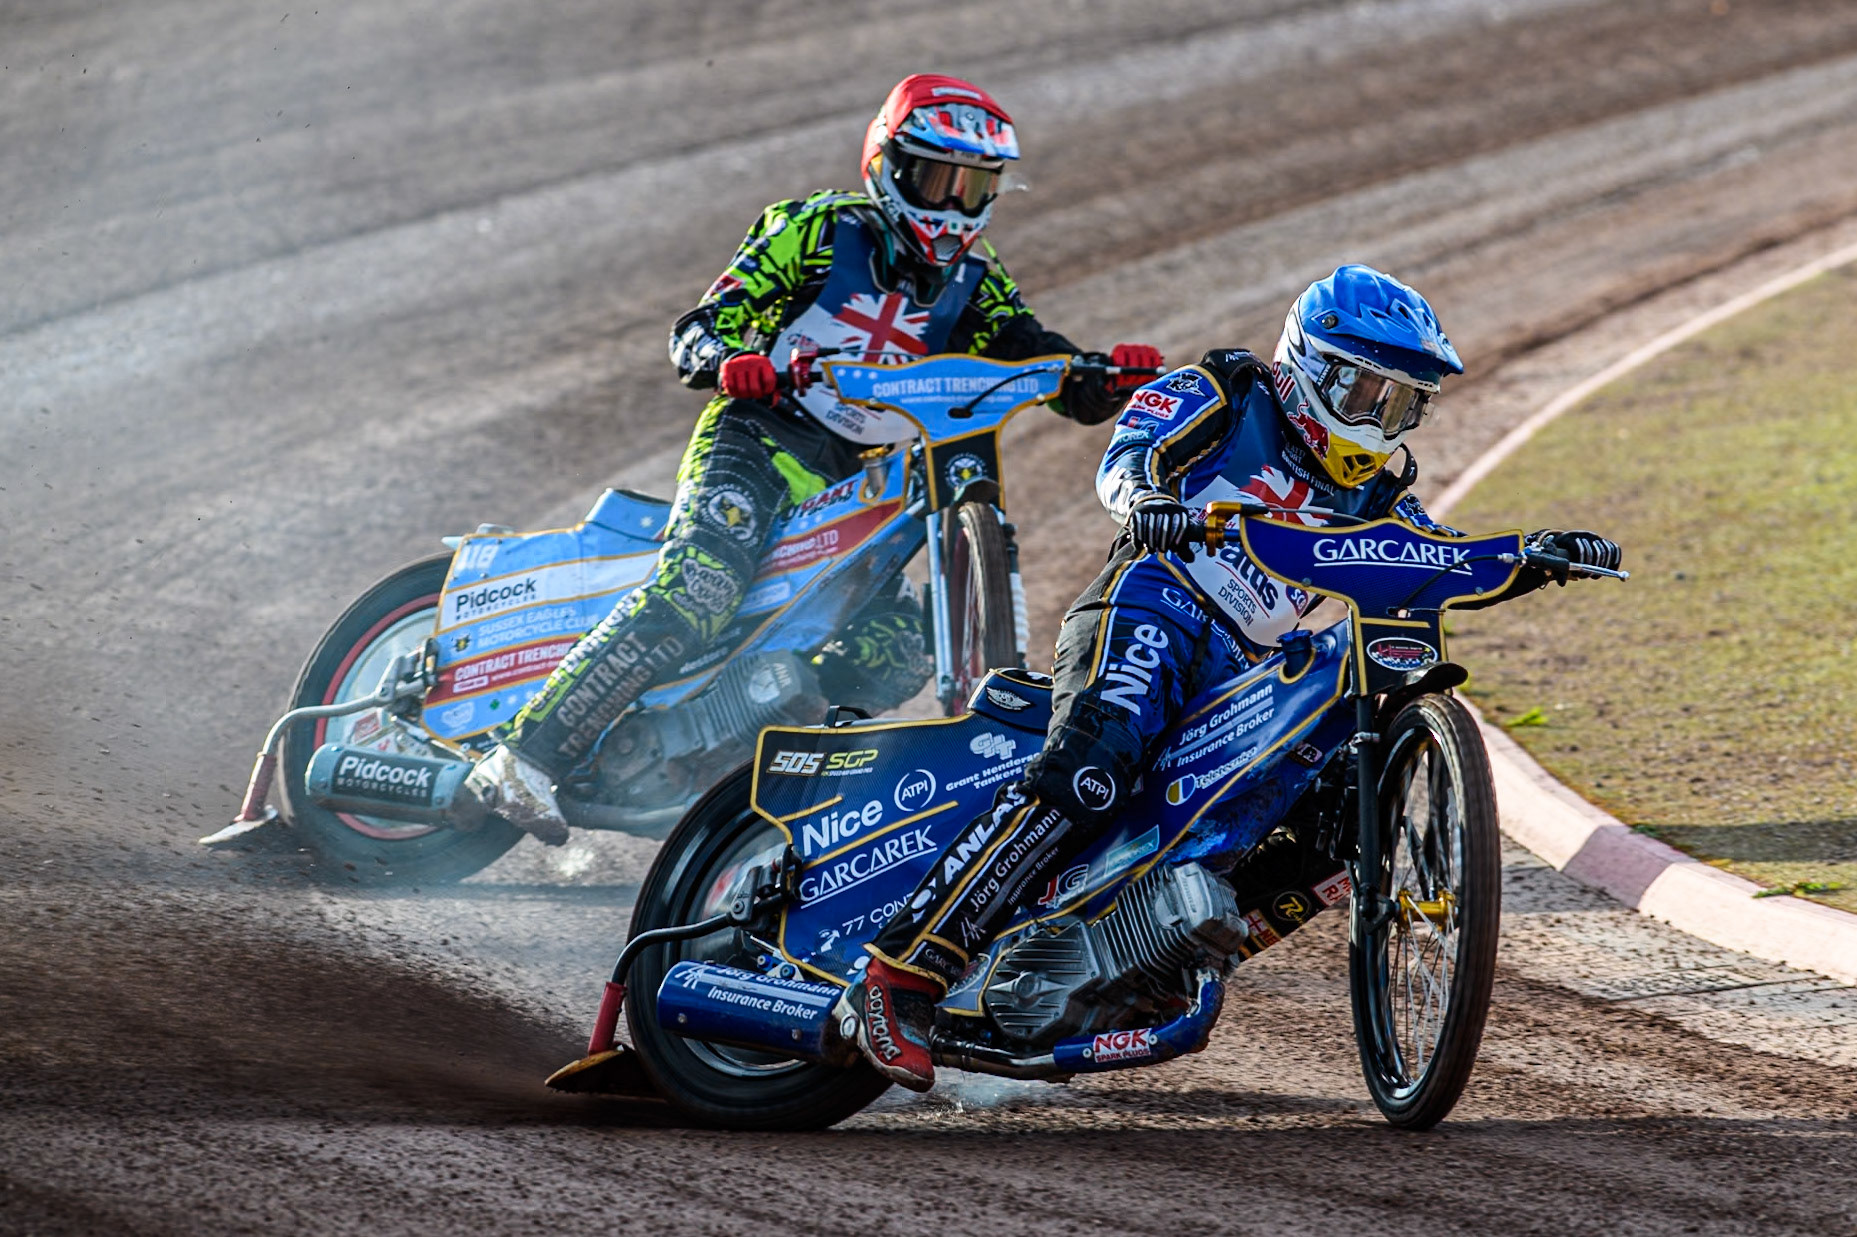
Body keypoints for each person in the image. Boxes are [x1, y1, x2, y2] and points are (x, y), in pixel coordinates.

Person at [836, 263, 1624, 1090]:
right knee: (1091, 770)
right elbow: (1128, 451)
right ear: (1311, 368)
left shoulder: (1383, 487)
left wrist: (1532, 554)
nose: (1380, 422)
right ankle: (901, 975)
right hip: (1150, 608)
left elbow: (1427, 558)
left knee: (1335, 820)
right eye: (1366, 395)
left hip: (1238, 674)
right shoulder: (1227, 387)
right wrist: (1144, 495)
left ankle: (1151, 960)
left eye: (1401, 406)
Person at [457, 74, 1163, 843]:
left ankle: (716, 781)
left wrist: (1098, 378)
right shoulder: (817, 229)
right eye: (937, 179)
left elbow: (1030, 351)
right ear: (889, 165)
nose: (954, 204)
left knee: (897, 650)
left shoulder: (975, 276)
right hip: (758, 441)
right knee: (701, 587)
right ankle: (522, 755)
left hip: (851, 482)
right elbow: (701, 324)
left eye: (975, 187)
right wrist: (732, 358)